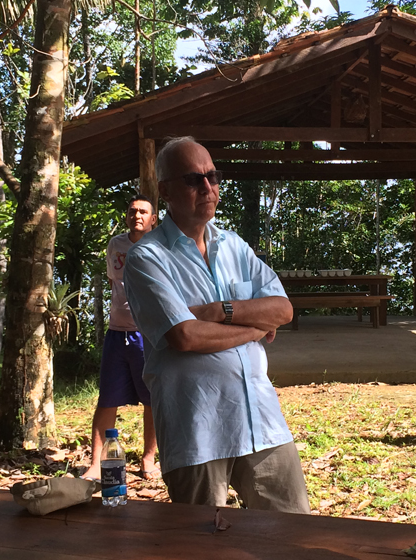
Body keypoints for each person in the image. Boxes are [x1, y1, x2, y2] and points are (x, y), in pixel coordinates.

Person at [123, 137, 310, 514]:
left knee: (293, 531)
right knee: (202, 539)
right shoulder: (147, 257)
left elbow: (283, 309)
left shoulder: (234, 246)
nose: (208, 187)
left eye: (213, 176)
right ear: (165, 190)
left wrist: (218, 311)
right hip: (197, 429)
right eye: (194, 179)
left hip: (260, 420)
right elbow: (185, 335)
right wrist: (254, 328)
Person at [82, 195, 159, 482]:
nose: (137, 215)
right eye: (132, 211)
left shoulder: (161, 247)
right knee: (107, 399)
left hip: (147, 334)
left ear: (153, 219)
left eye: (143, 212)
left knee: (151, 399)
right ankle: (96, 463)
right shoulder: (115, 244)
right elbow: (115, 283)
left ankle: (149, 458)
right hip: (116, 333)